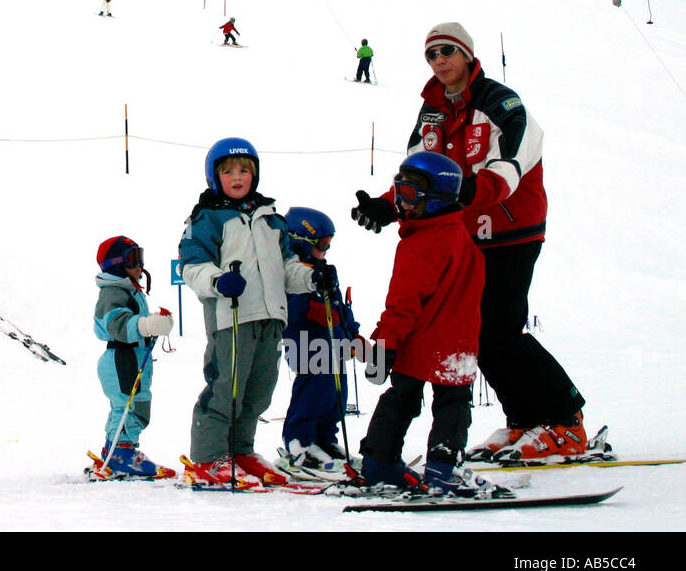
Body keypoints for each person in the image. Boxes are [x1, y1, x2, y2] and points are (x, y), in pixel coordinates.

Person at [351, 22, 586, 463]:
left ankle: (564, 419)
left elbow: (512, 164)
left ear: (467, 55)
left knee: (501, 329)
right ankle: (525, 419)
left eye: (447, 52)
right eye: (431, 55)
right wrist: (388, 206)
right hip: (460, 237)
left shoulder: (502, 104)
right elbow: (419, 172)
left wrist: (473, 192)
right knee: (477, 336)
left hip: (510, 231)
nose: (439, 61)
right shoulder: (433, 111)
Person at [354, 151, 500, 497]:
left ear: (437, 199)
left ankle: (382, 461)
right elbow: (405, 305)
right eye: (398, 191)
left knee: (406, 398)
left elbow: (402, 305)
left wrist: (385, 346)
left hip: (429, 342)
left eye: (409, 195)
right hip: (449, 346)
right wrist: (386, 344)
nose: (401, 204)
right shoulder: (452, 234)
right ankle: (440, 467)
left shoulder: (424, 242)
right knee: (448, 403)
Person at [178, 137, 320, 487]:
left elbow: (287, 267)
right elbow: (191, 266)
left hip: (271, 315)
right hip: (232, 316)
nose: (237, 177)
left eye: (245, 170)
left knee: (259, 390)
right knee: (226, 386)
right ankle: (210, 457)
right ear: (215, 177)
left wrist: (313, 277)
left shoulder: (271, 218)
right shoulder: (207, 217)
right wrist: (218, 280)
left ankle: (240, 450)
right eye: (228, 172)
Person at [89, 236, 176, 480]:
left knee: (132, 403)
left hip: (132, 358)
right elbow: (117, 324)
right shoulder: (113, 293)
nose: (140, 265)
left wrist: (153, 324)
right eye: (132, 259)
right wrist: (147, 325)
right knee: (130, 405)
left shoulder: (128, 290)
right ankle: (121, 454)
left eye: (140, 257)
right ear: (117, 264)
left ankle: (116, 448)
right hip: (121, 359)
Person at [280, 208, 359, 472]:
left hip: (333, 344)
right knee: (314, 392)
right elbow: (285, 308)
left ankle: (325, 438)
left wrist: (352, 333)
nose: (326, 251)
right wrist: (308, 310)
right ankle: (299, 440)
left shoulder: (323, 271)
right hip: (306, 344)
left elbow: (340, 307)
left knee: (336, 392)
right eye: (322, 245)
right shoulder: (291, 271)